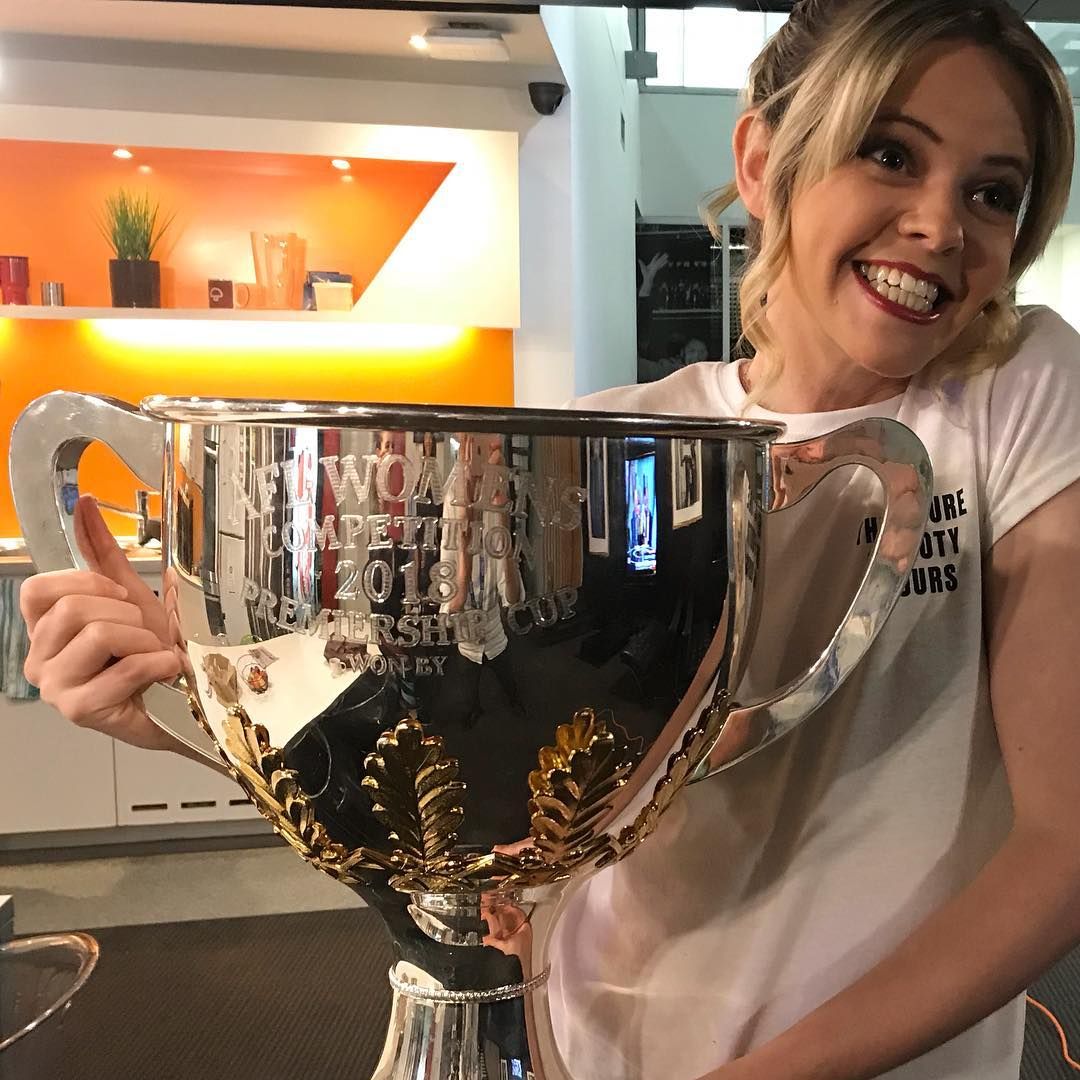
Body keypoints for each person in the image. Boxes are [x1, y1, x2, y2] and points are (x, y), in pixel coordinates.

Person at [14, 1, 1080, 1078]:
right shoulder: (616, 437)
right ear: (763, 162)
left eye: (993, 192)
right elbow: (471, 773)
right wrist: (197, 697)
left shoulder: (1017, 395)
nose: (944, 225)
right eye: (890, 154)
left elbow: (1065, 847)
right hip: (594, 1042)